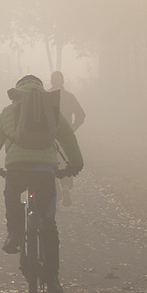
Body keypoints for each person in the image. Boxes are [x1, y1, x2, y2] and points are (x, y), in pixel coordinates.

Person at [0, 74, 84, 293]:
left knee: (12, 196)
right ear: (41, 90)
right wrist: (75, 165)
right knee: (48, 222)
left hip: (17, 169)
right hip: (45, 171)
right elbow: (68, 139)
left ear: (19, 93)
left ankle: (15, 234)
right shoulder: (50, 111)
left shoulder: (8, 112)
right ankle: (53, 279)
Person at [50, 70, 86, 206]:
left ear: (52, 81)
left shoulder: (46, 96)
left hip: (50, 138)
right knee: (66, 163)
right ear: (63, 81)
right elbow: (81, 115)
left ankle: (56, 194)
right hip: (65, 138)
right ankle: (65, 188)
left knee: (51, 164)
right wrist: (72, 129)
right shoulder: (69, 97)